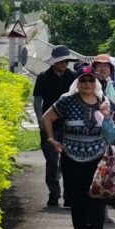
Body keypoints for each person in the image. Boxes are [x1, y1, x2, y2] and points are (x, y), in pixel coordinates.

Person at [41, 64, 115, 229]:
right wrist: (51, 139)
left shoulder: (103, 101)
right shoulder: (67, 101)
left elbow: (111, 132)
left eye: (91, 80)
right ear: (78, 82)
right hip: (71, 156)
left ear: (96, 82)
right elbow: (47, 117)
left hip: (97, 156)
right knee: (77, 198)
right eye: (83, 80)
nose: (87, 84)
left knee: (96, 196)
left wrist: (107, 117)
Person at [33, 46, 80, 207]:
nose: (64, 63)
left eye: (67, 61)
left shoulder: (73, 77)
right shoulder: (43, 77)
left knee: (68, 162)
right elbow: (38, 100)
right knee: (52, 161)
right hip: (49, 124)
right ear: (54, 62)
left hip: (69, 125)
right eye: (62, 61)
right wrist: (40, 120)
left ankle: (69, 195)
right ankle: (54, 193)